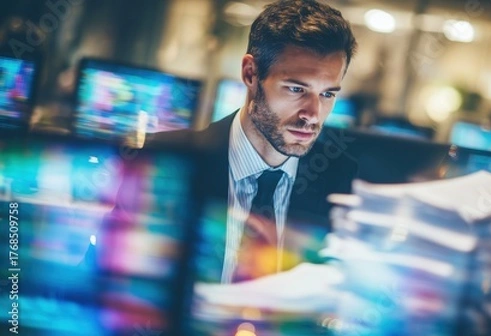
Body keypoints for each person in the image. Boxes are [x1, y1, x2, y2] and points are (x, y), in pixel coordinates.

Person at [87, 0, 359, 284]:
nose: (313, 115)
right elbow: (103, 279)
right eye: (296, 89)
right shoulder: (164, 160)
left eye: (327, 94)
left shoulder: (339, 180)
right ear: (251, 74)